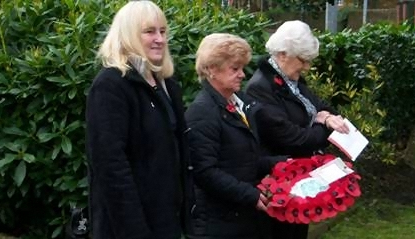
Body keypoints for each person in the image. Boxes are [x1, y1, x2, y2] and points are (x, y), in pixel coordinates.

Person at [86, 1, 193, 239]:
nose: (160, 39)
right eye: (149, 31)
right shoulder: (111, 86)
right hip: (132, 228)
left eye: (163, 31)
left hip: (168, 222)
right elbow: (110, 167)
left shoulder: (167, 85)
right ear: (128, 35)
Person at [245, 20, 349, 239]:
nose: (307, 67)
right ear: (283, 54)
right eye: (303, 60)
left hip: (300, 179)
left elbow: (321, 106)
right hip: (279, 184)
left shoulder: (292, 80)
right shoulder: (261, 88)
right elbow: (293, 139)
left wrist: (327, 116)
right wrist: (323, 125)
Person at [185, 33, 286, 239]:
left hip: (238, 217)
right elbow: (205, 172)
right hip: (217, 224)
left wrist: (283, 164)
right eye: (234, 68)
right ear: (212, 69)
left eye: (241, 67)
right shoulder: (203, 112)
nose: (242, 74)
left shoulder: (237, 104)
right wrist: (251, 195)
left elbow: (242, 160)